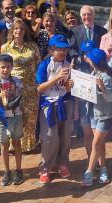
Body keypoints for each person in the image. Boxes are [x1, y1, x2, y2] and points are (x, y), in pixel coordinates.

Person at [36, 34, 75, 184]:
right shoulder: (44, 65)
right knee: (49, 136)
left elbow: (71, 90)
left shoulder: (69, 65)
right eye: (59, 49)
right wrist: (57, 77)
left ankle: (63, 163)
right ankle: (46, 166)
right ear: (51, 50)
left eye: (65, 49)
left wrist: (69, 86)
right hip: (49, 104)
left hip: (65, 102)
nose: (63, 52)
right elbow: (39, 88)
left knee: (65, 136)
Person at [76, 48, 112, 187]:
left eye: (89, 58)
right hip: (94, 112)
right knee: (99, 144)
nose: (87, 59)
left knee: (95, 143)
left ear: (94, 61)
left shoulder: (106, 77)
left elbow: (110, 98)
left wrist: (102, 88)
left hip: (105, 115)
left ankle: (89, 171)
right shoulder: (94, 73)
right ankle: (103, 168)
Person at [0, 19, 41, 153]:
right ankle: (15, 144)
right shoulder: (5, 47)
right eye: (16, 29)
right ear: (12, 31)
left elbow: (39, 64)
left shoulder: (32, 46)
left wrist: (39, 84)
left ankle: (29, 145)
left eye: (21, 29)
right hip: (13, 88)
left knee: (30, 117)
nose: (18, 31)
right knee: (15, 116)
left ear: (25, 31)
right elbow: (3, 68)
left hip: (31, 88)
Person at [0, 54, 25, 186]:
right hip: (0, 117)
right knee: (4, 145)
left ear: (12, 67)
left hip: (15, 115)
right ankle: (7, 172)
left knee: (17, 143)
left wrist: (15, 98)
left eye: (8, 67)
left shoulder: (17, 81)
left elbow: (21, 99)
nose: (5, 70)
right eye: (2, 67)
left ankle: (19, 170)